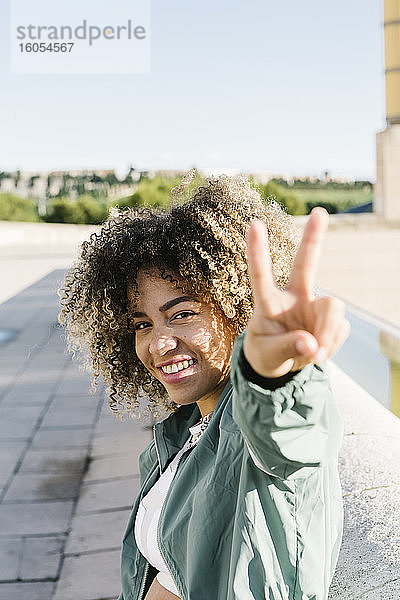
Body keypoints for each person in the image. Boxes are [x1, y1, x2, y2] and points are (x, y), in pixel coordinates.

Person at [58, 173, 349, 600]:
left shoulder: (250, 434)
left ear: (237, 308)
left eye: (182, 314)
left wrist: (273, 374)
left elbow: (288, 427)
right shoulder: (181, 436)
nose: (158, 342)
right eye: (142, 323)